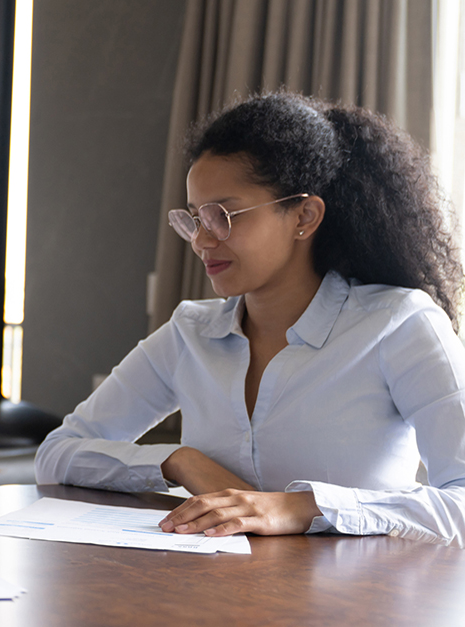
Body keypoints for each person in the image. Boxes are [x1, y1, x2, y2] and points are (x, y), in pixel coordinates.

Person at [35, 92, 465, 547]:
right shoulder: (190, 333)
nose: (202, 241)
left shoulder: (399, 325)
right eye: (195, 218)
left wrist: (299, 507)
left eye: (222, 216)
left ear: (304, 215)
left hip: (354, 606)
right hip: (216, 601)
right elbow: (57, 453)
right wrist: (178, 461)